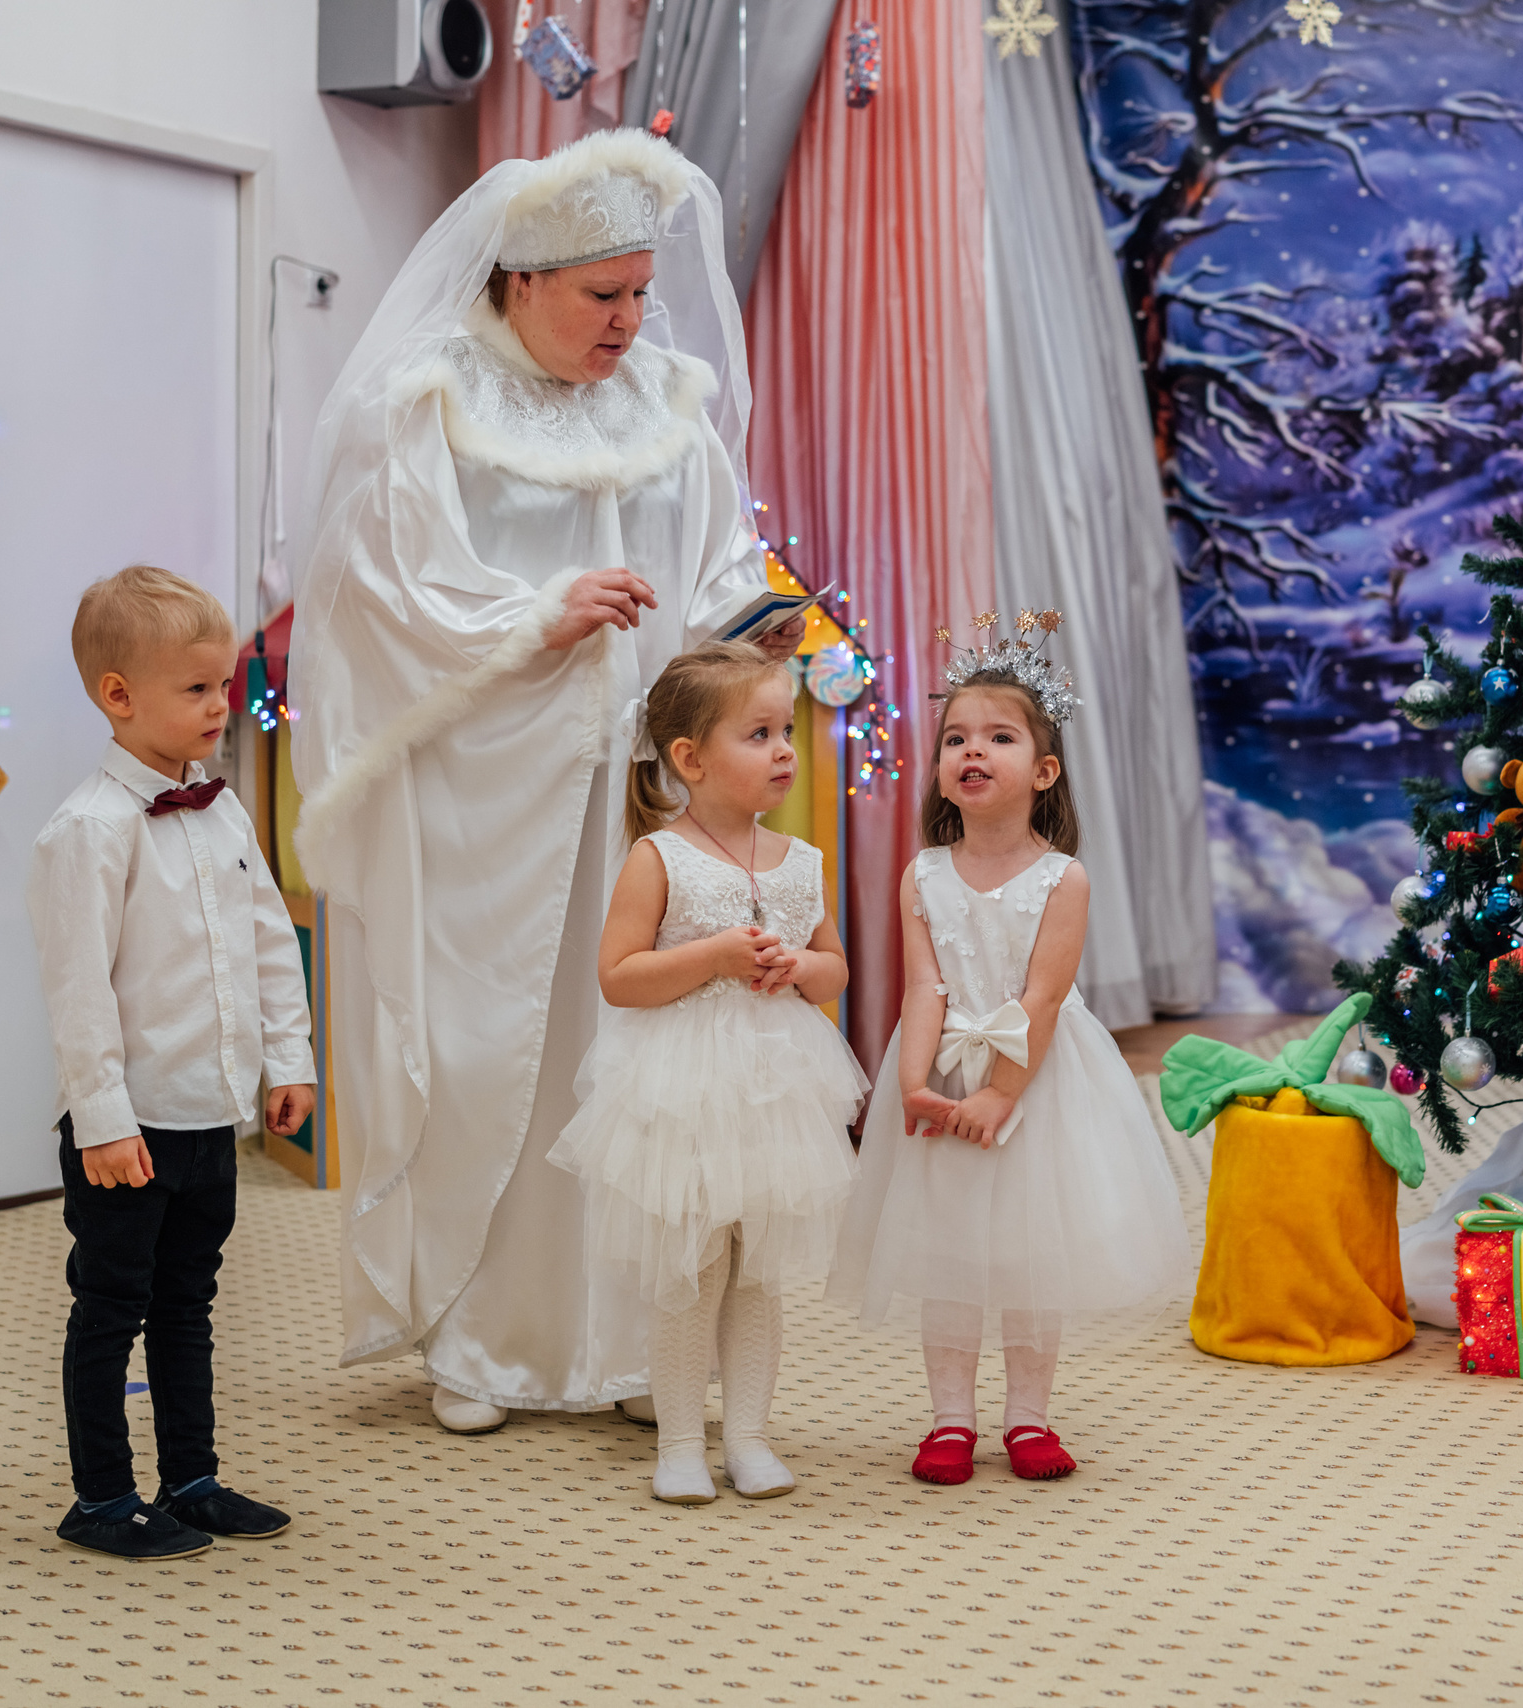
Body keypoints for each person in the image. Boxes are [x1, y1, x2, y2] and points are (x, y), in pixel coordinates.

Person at [288, 130, 805, 1433]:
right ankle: (489, 1343)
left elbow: (721, 555)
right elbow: (380, 581)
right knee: (494, 1047)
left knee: (634, 1058)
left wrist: (749, 624)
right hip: (490, 796)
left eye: (641, 292)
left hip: (641, 789)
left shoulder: (671, 404)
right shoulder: (425, 398)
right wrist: (539, 612)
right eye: (602, 296)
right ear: (521, 280)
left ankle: (638, 1345)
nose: (631, 321)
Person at [827, 620, 1191, 1484]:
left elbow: (1042, 998)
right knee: (945, 1247)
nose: (971, 750)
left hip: (1035, 1082)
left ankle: (1028, 1418)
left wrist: (999, 1093)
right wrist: (914, 1083)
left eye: (998, 736)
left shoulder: (1062, 878)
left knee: (1031, 1251)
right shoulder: (922, 872)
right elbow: (924, 989)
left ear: (1044, 771)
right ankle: (950, 1420)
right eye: (955, 737)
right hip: (946, 1073)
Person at [27, 565, 318, 1560]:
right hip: (130, 1123)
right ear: (119, 695)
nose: (220, 705)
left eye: (222, 684)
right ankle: (102, 1497)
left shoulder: (221, 810)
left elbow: (271, 939)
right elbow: (78, 994)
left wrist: (291, 1058)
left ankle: (189, 1476)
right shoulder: (89, 832)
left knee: (189, 1298)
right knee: (113, 1303)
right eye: (196, 689)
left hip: (206, 1112)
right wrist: (102, 1119)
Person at [548, 642, 863, 1504]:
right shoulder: (660, 857)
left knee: (758, 1270)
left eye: (786, 730)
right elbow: (618, 977)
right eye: (758, 733)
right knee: (691, 1270)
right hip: (683, 1091)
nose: (785, 750)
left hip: (773, 1092)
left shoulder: (800, 862)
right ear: (690, 759)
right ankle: (681, 1443)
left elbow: (835, 971)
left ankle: (750, 1437)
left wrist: (798, 969)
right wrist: (718, 956)